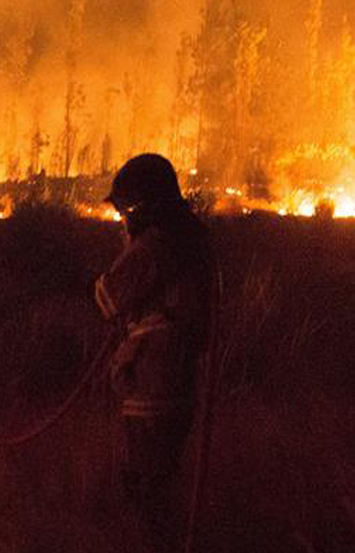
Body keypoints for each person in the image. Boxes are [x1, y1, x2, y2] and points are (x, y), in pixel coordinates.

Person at [94, 153, 214, 552]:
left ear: (142, 207)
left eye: (126, 210)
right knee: (159, 484)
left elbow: (109, 297)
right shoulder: (191, 238)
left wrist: (128, 245)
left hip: (151, 381)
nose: (123, 218)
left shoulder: (156, 245)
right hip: (176, 383)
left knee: (144, 490)